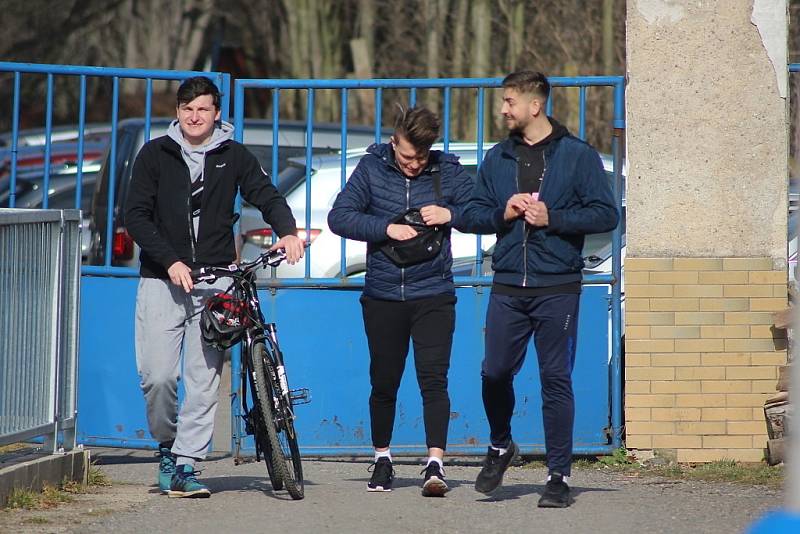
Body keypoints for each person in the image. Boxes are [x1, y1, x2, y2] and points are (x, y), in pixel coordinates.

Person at [124, 76, 303, 498]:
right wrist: (170, 261)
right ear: (178, 112)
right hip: (161, 281)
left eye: (202, 109)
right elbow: (135, 216)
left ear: (216, 113)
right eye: (187, 109)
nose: (194, 116)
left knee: (203, 380)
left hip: (217, 283)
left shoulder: (233, 155)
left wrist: (289, 231)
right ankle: (167, 445)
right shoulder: (155, 154)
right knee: (158, 378)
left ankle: (186, 465)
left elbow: (267, 194)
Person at [460, 71, 619, 507]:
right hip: (509, 283)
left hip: (558, 286)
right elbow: (470, 214)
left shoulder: (577, 156)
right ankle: (500, 445)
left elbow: (606, 215)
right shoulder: (498, 158)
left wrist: (556, 218)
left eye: (509, 102)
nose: (503, 109)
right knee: (494, 372)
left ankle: (558, 477)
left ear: (535, 105)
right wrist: (502, 212)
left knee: (555, 379)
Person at [327, 106, 473, 497]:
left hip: (434, 294)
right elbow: (339, 217)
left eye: (421, 158)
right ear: (394, 144)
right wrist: (385, 227)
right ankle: (382, 458)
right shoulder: (373, 169)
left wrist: (450, 213)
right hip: (384, 294)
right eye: (407, 156)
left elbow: (481, 213)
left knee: (433, 379)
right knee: (384, 381)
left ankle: (435, 465)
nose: (413, 165)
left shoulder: (448, 171)